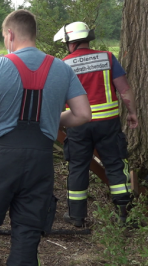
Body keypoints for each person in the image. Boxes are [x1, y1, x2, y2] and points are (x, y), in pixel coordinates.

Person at [0, 10, 91, 266]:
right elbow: (83, 114)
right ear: (33, 33)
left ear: (10, 34)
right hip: (40, 159)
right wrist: (52, 121)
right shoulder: (62, 68)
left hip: (1, 157)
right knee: (29, 228)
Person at [53, 21, 139, 227]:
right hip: (108, 124)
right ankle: (123, 215)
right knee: (115, 165)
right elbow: (124, 89)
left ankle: (76, 217)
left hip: (77, 124)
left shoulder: (63, 64)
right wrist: (132, 112)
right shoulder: (108, 57)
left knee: (77, 167)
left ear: (70, 42)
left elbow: (56, 97)